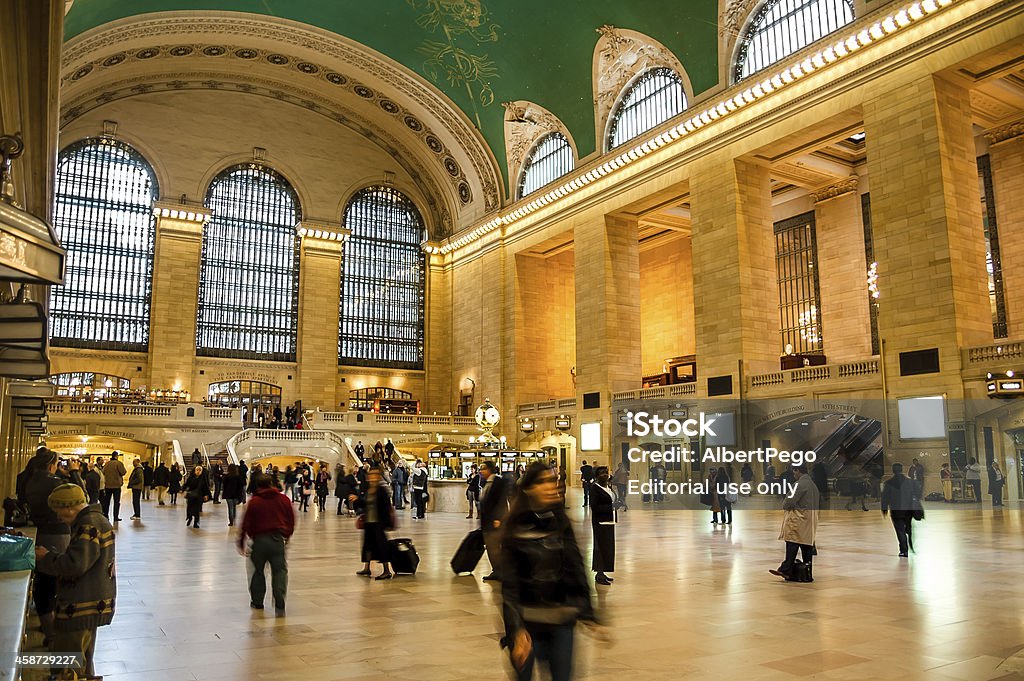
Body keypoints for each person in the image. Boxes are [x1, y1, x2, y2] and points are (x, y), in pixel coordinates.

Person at [500, 462, 606, 681]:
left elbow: (575, 569)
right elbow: (510, 586)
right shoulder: (515, 529)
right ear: (528, 488)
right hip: (528, 625)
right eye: (543, 482)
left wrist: (588, 614)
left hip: (561, 621)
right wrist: (516, 630)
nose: (551, 486)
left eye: (552, 481)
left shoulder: (561, 522)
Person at [34, 483, 115, 681]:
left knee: (67, 664)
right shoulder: (95, 520)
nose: (59, 517)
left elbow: (74, 564)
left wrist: (46, 557)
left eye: (59, 511)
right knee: (82, 660)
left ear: (69, 507)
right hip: (91, 602)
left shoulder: (89, 525)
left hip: (80, 605)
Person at [24, 450, 71, 645]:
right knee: (53, 582)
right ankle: (53, 635)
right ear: (51, 464)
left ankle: (48, 627)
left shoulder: (28, 480)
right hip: (57, 534)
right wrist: (73, 474)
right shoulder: (54, 483)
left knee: (44, 581)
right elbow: (77, 496)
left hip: (39, 530)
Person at [238, 475, 295, 615]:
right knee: (280, 571)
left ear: (258, 486)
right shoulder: (284, 500)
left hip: (259, 541)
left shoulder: (254, 502)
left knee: (258, 571)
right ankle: (279, 600)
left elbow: (246, 524)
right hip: (277, 540)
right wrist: (287, 535)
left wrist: (241, 541)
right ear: (271, 484)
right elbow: (291, 520)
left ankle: (257, 602)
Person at [769, 463, 819, 581]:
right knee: (806, 547)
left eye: (794, 472)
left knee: (792, 543)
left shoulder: (799, 485)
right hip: (810, 521)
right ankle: (807, 573)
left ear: (798, 471)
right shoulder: (813, 485)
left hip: (798, 520)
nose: (794, 475)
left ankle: (786, 570)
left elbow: (787, 503)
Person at [353, 466, 395, 580]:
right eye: (371, 475)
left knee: (381, 546)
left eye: (375, 475)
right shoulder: (369, 489)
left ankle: (386, 570)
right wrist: (356, 500)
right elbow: (365, 503)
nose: (372, 477)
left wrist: (387, 524)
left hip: (378, 523)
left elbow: (386, 507)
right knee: (367, 546)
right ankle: (367, 568)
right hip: (369, 522)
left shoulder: (381, 490)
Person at [881, 463, 922, 557]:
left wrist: (884, 509)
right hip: (908, 509)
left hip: (896, 511)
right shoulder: (910, 482)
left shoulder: (888, 483)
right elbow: (918, 494)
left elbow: (885, 497)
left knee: (900, 530)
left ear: (892, 470)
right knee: (908, 527)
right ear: (902, 469)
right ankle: (910, 542)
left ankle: (904, 550)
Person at [478, 461, 509, 581]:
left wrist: (498, 518)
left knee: (495, 547)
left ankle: (500, 571)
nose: (481, 471)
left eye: (483, 468)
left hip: (495, 521)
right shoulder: (486, 482)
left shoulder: (498, 482)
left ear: (490, 469)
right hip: (487, 521)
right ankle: (497, 570)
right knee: (491, 548)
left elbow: (501, 501)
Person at [590, 466, 617, 586]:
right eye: (601, 473)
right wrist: (610, 507)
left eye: (606, 473)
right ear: (596, 476)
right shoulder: (595, 488)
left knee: (608, 548)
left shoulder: (608, 487)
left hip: (609, 521)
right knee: (600, 547)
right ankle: (599, 574)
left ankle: (603, 572)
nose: (605, 475)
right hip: (600, 522)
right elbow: (595, 507)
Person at [101, 452, 127, 521]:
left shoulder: (107, 464)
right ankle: (115, 517)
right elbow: (123, 472)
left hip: (108, 485)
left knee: (107, 501)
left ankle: (106, 515)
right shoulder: (118, 463)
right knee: (116, 502)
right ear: (116, 456)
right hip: (116, 485)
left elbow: (103, 472)